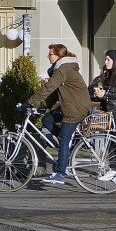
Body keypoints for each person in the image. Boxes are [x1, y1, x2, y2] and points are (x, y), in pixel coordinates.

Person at [29, 44, 93, 184]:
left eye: (50, 54)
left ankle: (60, 173)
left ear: (58, 56)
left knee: (63, 139)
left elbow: (48, 87)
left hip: (75, 108)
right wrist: (43, 106)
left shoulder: (62, 69)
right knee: (48, 120)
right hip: (70, 106)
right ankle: (67, 149)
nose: (48, 56)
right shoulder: (62, 68)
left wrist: (30, 102)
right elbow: (55, 93)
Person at [90, 49, 116, 136]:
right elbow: (109, 92)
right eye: (105, 59)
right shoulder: (110, 74)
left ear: (115, 60)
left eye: (108, 60)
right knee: (109, 137)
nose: (106, 62)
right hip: (108, 109)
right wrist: (101, 95)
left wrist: (106, 94)